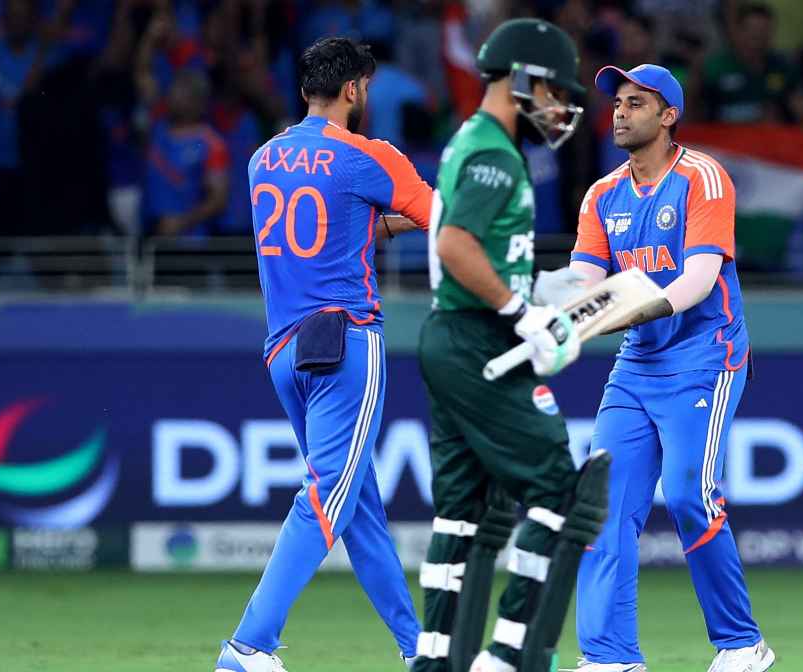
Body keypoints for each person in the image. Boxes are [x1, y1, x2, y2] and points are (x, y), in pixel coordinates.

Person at [215, 37, 433, 672]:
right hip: (345, 341)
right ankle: (248, 645)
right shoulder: (367, 156)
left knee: (357, 505)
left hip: (284, 348)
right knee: (331, 493)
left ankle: (420, 651)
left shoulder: (262, 159)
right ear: (356, 90)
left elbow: (327, 227)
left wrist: (374, 222)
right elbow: (433, 214)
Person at [415, 18, 609, 672]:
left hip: (455, 335)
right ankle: (506, 656)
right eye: (553, 89)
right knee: (559, 485)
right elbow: (455, 245)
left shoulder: (475, 140)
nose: (559, 106)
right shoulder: (496, 154)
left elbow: (483, 249)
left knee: (462, 512)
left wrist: (534, 292)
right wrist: (518, 310)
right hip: (479, 339)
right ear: (522, 79)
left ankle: (436, 660)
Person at [569, 64, 774, 672]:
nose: (621, 112)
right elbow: (585, 284)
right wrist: (559, 315)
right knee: (600, 506)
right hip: (638, 365)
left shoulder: (702, 177)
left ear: (668, 116)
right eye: (618, 103)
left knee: (689, 495)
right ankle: (610, 658)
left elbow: (697, 280)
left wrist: (610, 314)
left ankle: (742, 645)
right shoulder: (601, 195)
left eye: (636, 103)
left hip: (706, 355)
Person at [139, 69, 228, 238]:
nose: (172, 95)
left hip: (191, 241)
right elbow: (143, 76)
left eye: (181, 91)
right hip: (150, 237)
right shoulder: (157, 130)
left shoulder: (212, 143)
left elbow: (219, 199)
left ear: (198, 101)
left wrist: (182, 222)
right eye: (173, 89)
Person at [701, 2, 803, 125]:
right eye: (753, 31)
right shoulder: (715, 68)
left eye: (764, 31)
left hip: (770, 139)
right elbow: (696, 112)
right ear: (738, 32)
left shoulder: (783, 67)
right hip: (722, 139)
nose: (758, 37)